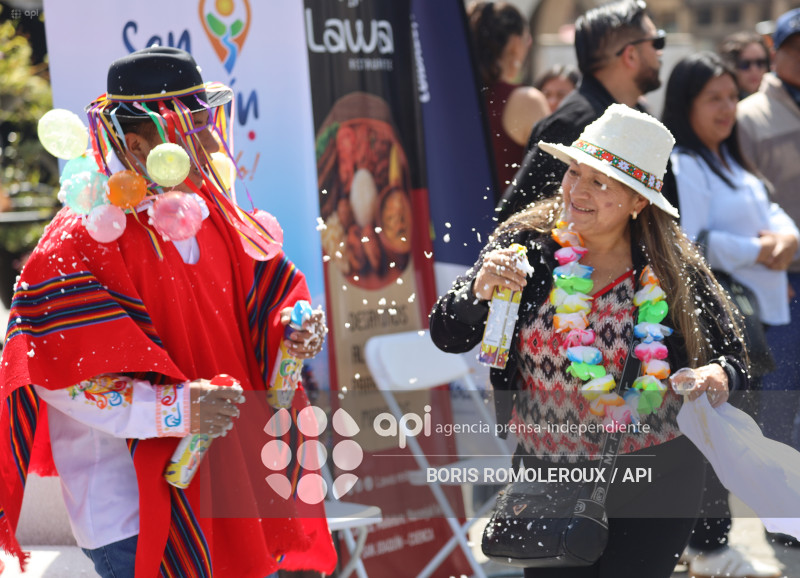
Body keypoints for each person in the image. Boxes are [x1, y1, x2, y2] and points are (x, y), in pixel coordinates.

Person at [0, 47, 336, 578]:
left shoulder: (213, 212)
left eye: (208, 123)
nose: (209, 141)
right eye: (191, 128)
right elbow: (58, 376)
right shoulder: (77, 241)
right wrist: (176, 410)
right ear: (135, 145)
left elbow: (272, 294)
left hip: (230, 478)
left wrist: (290, 333)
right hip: (131, 506)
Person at [431, 104, 748, 578]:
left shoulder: (670, 267)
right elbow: (448, 333)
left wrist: (716, 374)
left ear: (638, 201)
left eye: (599, 183)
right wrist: (478, 291)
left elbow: (734, 354)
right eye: (574, 173)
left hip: (656, 476)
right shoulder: (524, 246)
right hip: (548, 479)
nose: (576, 191)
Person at [663, 51, 794, 578]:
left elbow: (774, 207)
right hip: (722, 327)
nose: (726, 107)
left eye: (730, 96)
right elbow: (694, 242)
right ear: (684, 104)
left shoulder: (731, 158)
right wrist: (757, 250)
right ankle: (709, 550)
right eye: (712, 98)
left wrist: (787, 236)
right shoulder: (685, 163)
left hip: (765, 316)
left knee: (765, 430)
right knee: (726, 434)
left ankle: (721, 545)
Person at [497, 0, 673, 222]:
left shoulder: (633, 117)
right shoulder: (574, 123)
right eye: (656, 42)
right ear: (630, 55)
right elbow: (518, 222)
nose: (660, 53)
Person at [738, 7, 800, 458]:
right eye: (795, 48)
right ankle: (781, 520)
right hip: (783, 281)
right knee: (779, 399)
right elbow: (744, 203)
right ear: (775, 52)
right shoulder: (748, 117)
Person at [467, 1, 549, 202]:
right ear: (514, 44)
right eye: (526, 40)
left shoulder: (448, 101)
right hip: (509, 228)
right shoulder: (526, 101)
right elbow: (554, 175)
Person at [718, 31, 771, 99]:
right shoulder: (727, 107)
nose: (754, 69)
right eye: (745, 64)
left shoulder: (781, 99)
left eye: (760, 63)